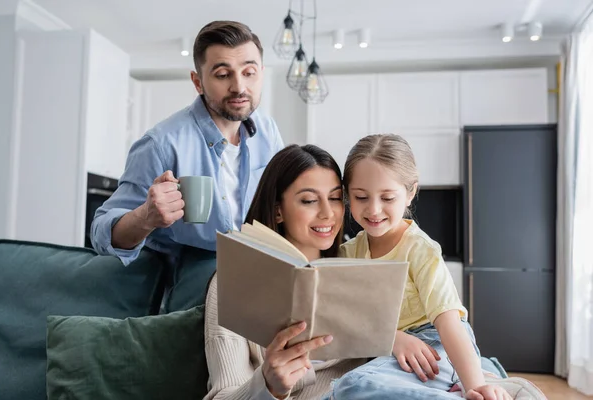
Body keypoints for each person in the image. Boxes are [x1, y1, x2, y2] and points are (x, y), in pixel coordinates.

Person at [329, 134, 544, 400]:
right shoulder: (349, 253)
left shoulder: (420, 249)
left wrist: (476, 387)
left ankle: (476, 388)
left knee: (351, 387)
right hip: (392, 350)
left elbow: (449, 324)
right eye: (361, 197)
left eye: (387, 198)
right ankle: (467, 385)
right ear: (348, 195)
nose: (374, 210)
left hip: (437, 345)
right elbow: (345, 315)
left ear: (410, 193)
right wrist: (392, 337)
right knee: (349, 389)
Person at [90, 21, 283, 308]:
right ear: (198, 81)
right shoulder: (160, 144)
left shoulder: (266, 130)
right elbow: (101, 231)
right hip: (189, 292)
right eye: (222, 74)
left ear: (262, 74)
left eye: (249, 73)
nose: (239, 86)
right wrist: (146, 217)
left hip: (257, 278)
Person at [204, 144, 368, 400]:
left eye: (335, 198)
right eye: (310, 200)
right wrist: (269, 386)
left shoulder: (361, 266)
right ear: (278, 210)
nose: (328, 213)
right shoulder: (232, 282)